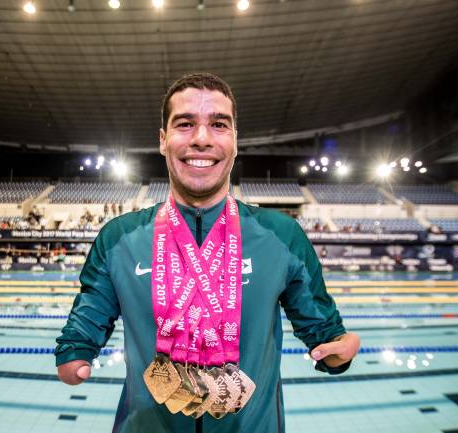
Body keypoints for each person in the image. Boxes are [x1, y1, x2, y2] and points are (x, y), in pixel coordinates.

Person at [55, 73, 360, 433]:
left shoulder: (282, 236)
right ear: (163, 140)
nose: (202, 139)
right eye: (185, 124)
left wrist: (339, 349)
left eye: (218, 124)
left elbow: (323, 332)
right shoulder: (119, 238)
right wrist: (74, 354)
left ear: (234, 140)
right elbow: (84, 326)